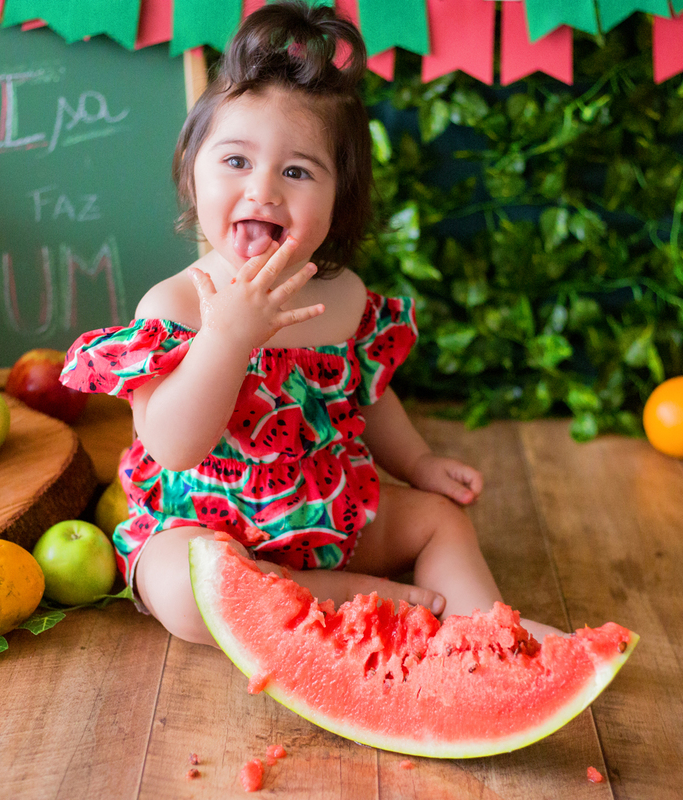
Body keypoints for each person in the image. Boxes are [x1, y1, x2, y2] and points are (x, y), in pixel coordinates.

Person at [61, 1, 556, 646]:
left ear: (337, 201)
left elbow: (367, 399)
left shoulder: (343, 297)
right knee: (176, 589)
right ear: (193, 172)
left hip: (332, 516)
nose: (263, 189)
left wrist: (419, 460)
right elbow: (172, 447)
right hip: (214, 535)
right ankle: (359, 599)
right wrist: (229, 337)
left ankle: (492, 633)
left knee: (440, 521)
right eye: (235, 161)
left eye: (297, 171)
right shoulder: (174, 306)